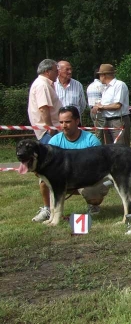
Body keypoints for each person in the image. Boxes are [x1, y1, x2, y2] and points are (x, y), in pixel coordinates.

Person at [47, 106, 111, 215]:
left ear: (77, 121)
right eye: (61, 122)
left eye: (67, 122)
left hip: (86, 179)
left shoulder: (91, 140)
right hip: (64, 180)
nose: (63, 125)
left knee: (93, 194)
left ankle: (93, 204)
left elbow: (100, 166)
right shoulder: (54, 141)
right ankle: (48, 209)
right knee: (44, 181)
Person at [28, 59, 63, 222]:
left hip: (48, 132)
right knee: (50, 170)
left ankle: (52, 206)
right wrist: (51, 128)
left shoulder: (44, 83)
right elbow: (43, 108)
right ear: (48, 71)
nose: (58, 73)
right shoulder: (42, 85)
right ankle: (49, 208)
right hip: (48, 133)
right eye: (56, 70)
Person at [91, 64, 131, 146]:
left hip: (118, 120)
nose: (99, 77)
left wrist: (102, 107)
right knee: (110, 150)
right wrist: (98, 106)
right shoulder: (106, 88)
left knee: (121, 149)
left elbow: (117, 105)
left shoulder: (119, 85)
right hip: (107, 120)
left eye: (100, 75)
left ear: (104, 75)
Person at [86, 66, 106, 141]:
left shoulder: (90, 86)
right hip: (100, 111)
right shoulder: (101, 86)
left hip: (92, 110)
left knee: (97, 131)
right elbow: (105, 100)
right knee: (101, 134)